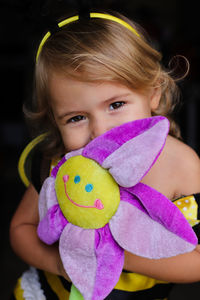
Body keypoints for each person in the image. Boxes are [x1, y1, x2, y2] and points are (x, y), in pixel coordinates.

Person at [10, 10, 200, 300]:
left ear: (153, 93)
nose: (99, 131)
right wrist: (60, 264)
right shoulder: (62, 163)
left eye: (116, 105)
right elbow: (21, 228)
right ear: (55, 120)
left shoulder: (180, 166)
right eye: (76, 118)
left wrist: (118, 253)